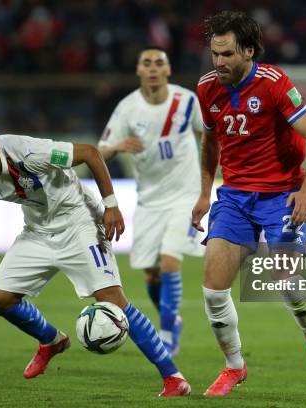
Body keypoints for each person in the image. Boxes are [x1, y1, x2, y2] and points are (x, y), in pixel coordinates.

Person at [0, 117, 191, 397]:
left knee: (113, 300)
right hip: (38, 231)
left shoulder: (27, 151)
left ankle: (173, 377)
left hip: (80, 222)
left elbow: (89, 153)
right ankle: (51, 340)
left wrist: (110, 205)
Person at [191, 12, 306, 396]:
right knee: (212, 289)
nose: (218, 62)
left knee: (286, 279)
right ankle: (234, 366)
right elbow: (210, 143)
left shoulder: (274, 84)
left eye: (225, 54)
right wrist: (206, 193)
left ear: (248, 51)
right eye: (214, 53)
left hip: (281, 196)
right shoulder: (207, 88)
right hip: (235, 196)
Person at [98, 46, 204, 357]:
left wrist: (209, 183)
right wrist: (117, 146)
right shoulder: (127, 109)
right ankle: (171, 320)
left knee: (171, 260)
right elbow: (98, 152)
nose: (154, 68)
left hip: (185, 193)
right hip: (148, 200)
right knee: (151, 273)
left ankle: (168, 334)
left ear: (168, 70)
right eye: (147, 63)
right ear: (139, 70)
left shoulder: (186, 101)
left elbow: (210, 136)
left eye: (160, 63)